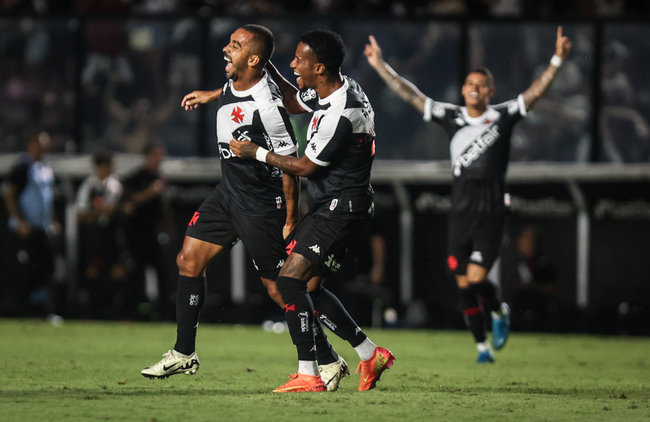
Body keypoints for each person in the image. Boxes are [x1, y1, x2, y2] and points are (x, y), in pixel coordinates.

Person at [363, 27, 572, 362]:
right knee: (463, 285)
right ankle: (482, 348)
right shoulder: (452, 117)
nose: (474, 89)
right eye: (470, 84)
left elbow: (534, 93)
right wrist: (380, 66)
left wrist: (558, 59)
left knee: (476, 279)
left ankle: (499, 311)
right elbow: (411, 95)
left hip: (491, 210)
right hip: (460, 211)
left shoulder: (502, 116)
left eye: (480, 85)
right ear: (463, 90)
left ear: (489, 91)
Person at [140, 24, 314, 383]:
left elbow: (290, 165)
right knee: (187, 260)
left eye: (234, 45)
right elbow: (235, 92)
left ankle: (325, 356)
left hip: (260, 203)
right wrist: (209, 94)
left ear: (253, 59)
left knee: (280, 289)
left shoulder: (269, 106)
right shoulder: (236, 83)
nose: (225, 48)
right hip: (227, 194)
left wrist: (291, 216)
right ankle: (184, 352)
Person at [231, 29, 395, 393]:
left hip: (342, 208)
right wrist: (267, 62)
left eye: (299, 60)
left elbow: (306, 167)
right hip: (335, 206)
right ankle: (370, 354)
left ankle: (310, 373)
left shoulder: (343, 112)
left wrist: (255, 152)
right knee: (309, 288)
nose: (293, 64)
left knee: (289, 281)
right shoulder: (332, 86)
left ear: (319, 67)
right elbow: (292, 99)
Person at [2, 134, 60, 316]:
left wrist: (52, 220)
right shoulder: (22, 167)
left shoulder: (44, 168)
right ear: (31, 145)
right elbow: (9, 194)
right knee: (24, 270)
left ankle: (39, 308)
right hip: (24, 230)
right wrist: (20, 221)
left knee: (45, 268)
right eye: (39, 146)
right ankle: (23, 309)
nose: (42, 150)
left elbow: (46, 198)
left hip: (40, 228)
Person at [122, 142, 174, 320]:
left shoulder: (160, 178)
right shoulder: (135, 178)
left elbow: (164, 207)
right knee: (137, 274)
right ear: (148, 156)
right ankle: (134, 312)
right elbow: (129, 202)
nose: (159, 160)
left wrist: (170, 229)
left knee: (162, 273)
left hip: (154, 233)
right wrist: (151, 191)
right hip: (137, 233)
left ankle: (163, 312)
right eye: (157, 156)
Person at [75, 149, 125, 318]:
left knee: (117, 271)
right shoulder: (88, 186)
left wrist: (107, 211)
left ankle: (114, 312)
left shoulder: (115, 185)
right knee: (92, 272)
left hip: (113, 235)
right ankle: (92, 313)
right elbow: (80, 215)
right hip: (95, 235)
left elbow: (117, 209)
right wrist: (100, 212)